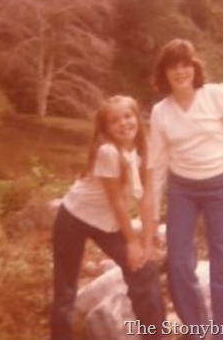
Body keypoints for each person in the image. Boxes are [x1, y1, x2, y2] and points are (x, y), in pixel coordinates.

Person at [148, 39, 223, 339]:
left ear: (195, 67)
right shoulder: (160, 112)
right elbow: (157, 167)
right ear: (164, 73)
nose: (180, 71)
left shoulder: (217, 95)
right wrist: (152, 216)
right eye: (173, 66)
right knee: (178, 262)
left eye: (186, 64)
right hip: (182, 190)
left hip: (222, 186)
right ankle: (197, 329)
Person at [51, 95, 165, 340]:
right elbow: (118, 202)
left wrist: (146, 244)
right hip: (74, 218)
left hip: (106, 223)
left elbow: (146, 199)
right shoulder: (108, 152)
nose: (123, 123)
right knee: (66, 287)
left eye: (127, 116)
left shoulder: (144, 152)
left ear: (137, 118)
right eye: (114, 120)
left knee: (144, 269)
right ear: (106, 129)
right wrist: (132, 242)